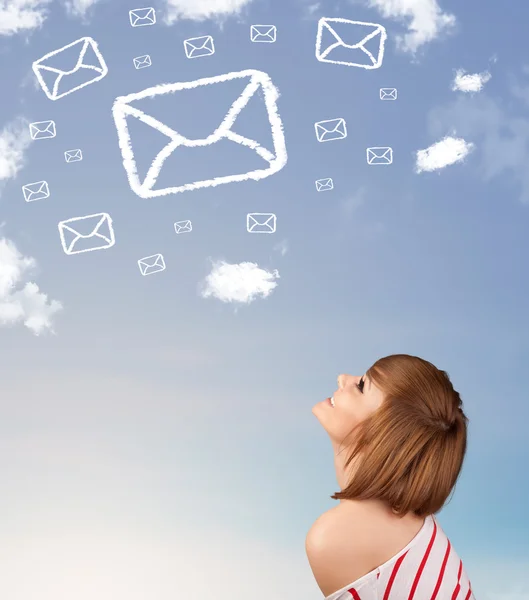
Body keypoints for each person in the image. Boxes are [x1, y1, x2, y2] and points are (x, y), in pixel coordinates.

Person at [306, 354, 475, 600]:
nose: (343, 379)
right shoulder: (412, 524)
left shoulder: (333, 538)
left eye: (362, 386)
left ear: (383, 435)